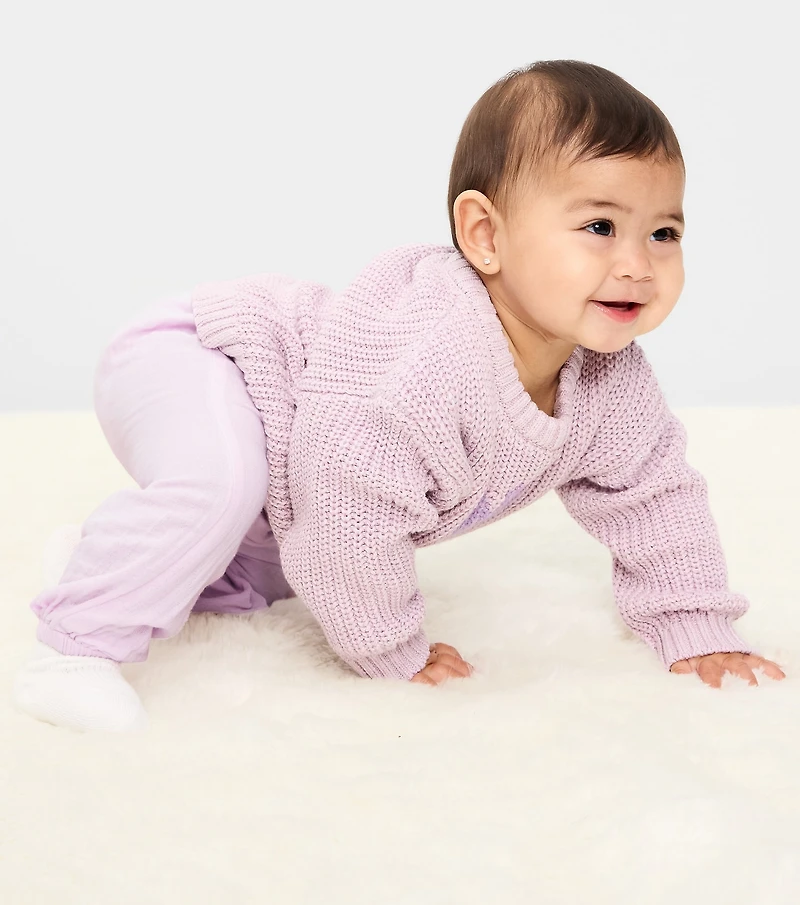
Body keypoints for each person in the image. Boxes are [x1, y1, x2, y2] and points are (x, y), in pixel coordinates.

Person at [12, 59, 785, 733]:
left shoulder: (612, 383)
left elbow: (656, 498)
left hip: (289, 443)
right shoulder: (429, 355)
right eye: (600, 226)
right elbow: (347, 516)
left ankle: (105, 556)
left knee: (268, 569)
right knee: (226, 484)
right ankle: (74, 648)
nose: (639, 264)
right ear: (485, 236)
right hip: (207, 355)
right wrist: (392, 652)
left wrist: (697, 627)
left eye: (664, 233)